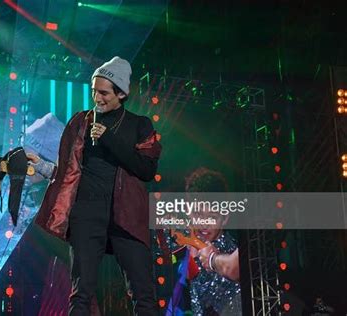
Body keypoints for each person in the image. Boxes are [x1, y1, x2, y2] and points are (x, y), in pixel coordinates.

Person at [30, 56, 162, 315]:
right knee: (81, 295)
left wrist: (108, 138)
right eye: (94, 91)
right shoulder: (80, 122)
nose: (97, 98)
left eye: (103, 93)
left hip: (127, 217)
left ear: (121, 93)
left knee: (144, 295)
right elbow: (70, 173)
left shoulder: (139, 124)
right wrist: (44, 168)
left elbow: (146, 170)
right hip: (87, 215)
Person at [166, 167, 241, 315]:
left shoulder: (232, 253)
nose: (204, 224)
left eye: (212, 217)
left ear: (225, 218)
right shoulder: (178, 245)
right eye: (198, 214)